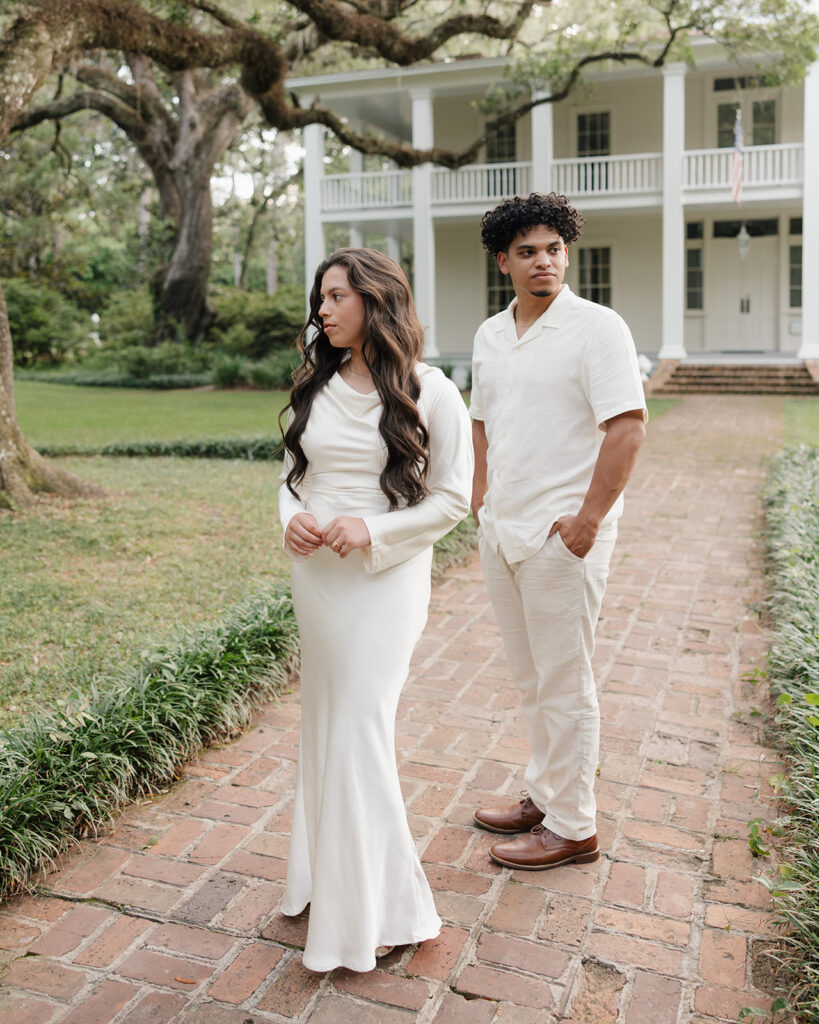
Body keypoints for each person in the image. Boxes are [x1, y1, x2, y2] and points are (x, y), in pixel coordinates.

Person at [277, 247, 473, 971]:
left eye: (336, 296)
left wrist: (374, 530)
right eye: (319, 297)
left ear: (374, 301)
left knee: (358, 728)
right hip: (317, 579)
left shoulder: (433, 391)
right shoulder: (315, 385)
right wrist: (287, 519)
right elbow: (294, 478)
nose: (322, 309)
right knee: (325, 723)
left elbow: (454, 499)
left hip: (384, 581)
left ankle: (393, 910)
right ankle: (324, 883)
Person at [470, 193, 647, 870]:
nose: (542, 261)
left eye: (552, 248)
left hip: (560, 537)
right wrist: (483, 499)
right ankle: (544, 794)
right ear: (503, 261)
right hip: (502, 532)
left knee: (566, 681)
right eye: (526, 252)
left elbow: (627, 426)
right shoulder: (491, 335)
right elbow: (482, 419)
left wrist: (588, 521)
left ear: (565, 253)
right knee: (528, 678)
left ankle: (573, 827)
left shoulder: (597, 329)